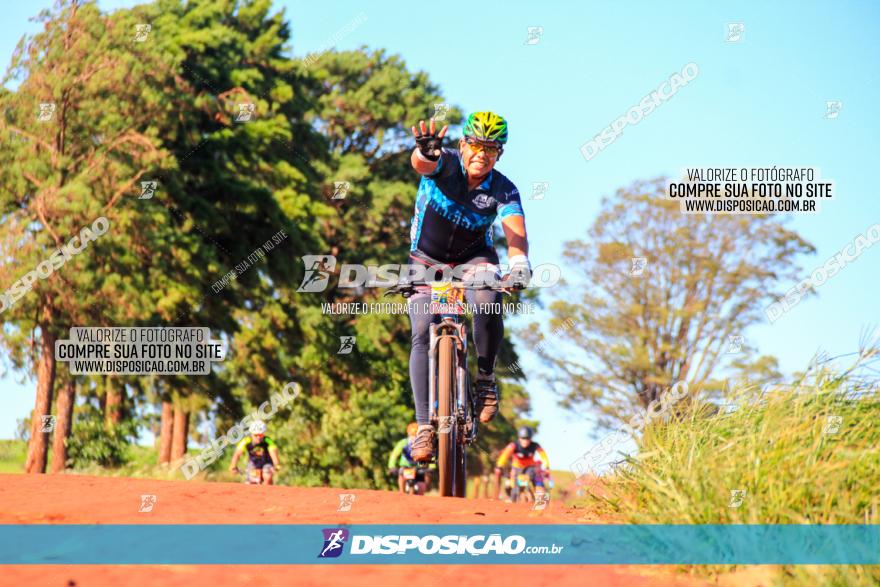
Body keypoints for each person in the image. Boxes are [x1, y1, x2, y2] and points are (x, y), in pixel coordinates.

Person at [406, 112, 532, 462]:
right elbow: (422, 164)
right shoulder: (445, 163)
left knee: (487, 301)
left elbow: (516, 235)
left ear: (499, 154)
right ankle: (424, 429)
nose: (482, 153)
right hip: (425, 260)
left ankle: (486, 379)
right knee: (420, 329)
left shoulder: (504, 189)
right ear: (462, 145)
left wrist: (519, 265)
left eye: (491, 148)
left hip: (474, 259)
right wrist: (426, 152)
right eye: (476, 144)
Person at [494, 426, 551, 500]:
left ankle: (542, 501)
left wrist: (547, 466)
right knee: (515, 489)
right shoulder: (513, 445)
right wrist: (499, 466)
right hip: (517, 468)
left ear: (530, 439)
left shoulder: (535, 445)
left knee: (538, 481)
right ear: (519, 438)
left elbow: (543, 455)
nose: (525, 441)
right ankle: (513, 500)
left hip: (530, 468)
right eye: (523, 438)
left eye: (528, 438)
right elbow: (505, 455)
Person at [229, 421, 281, 485]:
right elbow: (237, 454)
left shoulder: (268, 441)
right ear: (251, 434)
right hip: (253, 464)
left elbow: (274, 454)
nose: (258, 437)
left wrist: (277, 465)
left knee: (267, 476)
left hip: (267, 463)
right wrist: (233, 466)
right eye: (256, 435)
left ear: (263, 434)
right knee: (249, 483)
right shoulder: (246, 441)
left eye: (260, 435)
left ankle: (268, 492)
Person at [387, 422, 433, 493]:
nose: (413, 438)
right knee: (401, 474)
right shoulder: (403, 443)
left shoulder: (424, 444)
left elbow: (430, 454)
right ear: (408, 435)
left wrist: (431, 468)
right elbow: (394, 454)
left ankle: (426, 491)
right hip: (406, 467)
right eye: (412, 436)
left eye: (416, 436)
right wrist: (392, 466)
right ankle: (402, 492)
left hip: (419, 468)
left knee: (423, 486)